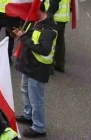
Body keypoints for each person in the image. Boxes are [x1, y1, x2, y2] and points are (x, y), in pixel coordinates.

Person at [13, 10, 57, 138]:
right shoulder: (37, 22)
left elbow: (44, 50)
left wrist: (24, 38)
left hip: (38, 68)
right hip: (30, 64)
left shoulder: (48, 30)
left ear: (39, 9)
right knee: (25, 90)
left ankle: (39, 127)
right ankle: (28, 115)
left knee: (36, 98)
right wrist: (22, 34)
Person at [43, 0, 71, 72]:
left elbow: (54, 4)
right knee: (60, 43)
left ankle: (49, 67)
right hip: (63, 18)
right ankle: (60, 64)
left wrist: (48, 16)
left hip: (54, 18)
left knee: (51, 43)